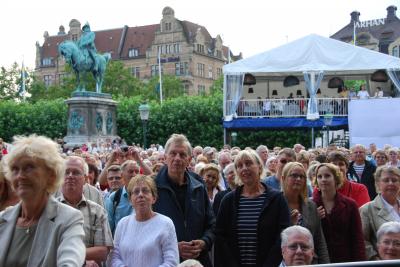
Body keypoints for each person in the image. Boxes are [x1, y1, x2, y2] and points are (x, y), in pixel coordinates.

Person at [0, 135, 85, 266]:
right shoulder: (2, 219)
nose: (20, 176)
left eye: (29, 167)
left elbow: (71, 260)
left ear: (51, 174)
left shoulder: (69, 219)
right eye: (15, 169)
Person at [215, 149, 290, 267]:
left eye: (248, 163)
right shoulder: (228, 201)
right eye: (239, 166)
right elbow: (221, 238)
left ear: (259, 167)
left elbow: (283, 236)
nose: (244, 168)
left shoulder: (277, 199)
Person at [153, 134, 215, 267]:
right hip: (165, 262)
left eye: (182, 154)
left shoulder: (198, 184)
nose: (177, 158)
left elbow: (211, 223)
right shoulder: (152, 187)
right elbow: (143, 230)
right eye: (173, 153)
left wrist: (204, 242)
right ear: (165, 157)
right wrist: (172, 248)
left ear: (189, 159)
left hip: (198, 261)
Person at [110, 175, 179, 266]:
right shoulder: (122, 224)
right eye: (136, 192)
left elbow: (172, 262)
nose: (140, 195)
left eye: (145, 191)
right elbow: (114, 257)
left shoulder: (166, 223)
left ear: (154, 198)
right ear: (130, 200)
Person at [58, 156, 113, 266]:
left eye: (76, 172)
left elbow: (103, 251)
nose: (70, 176)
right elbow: (41, 249)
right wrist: (82, 258)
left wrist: (63, 253)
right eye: (66, 172)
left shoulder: (97, 211)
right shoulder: (48, 210)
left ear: (85, 179)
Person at [312, 163, 366, 263]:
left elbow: (357, 238)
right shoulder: (310, 205)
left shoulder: (350, 205)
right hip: (318, 260)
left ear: (336, 178)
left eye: (327, 176)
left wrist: (360, 263)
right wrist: (313, 219)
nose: (323, 179)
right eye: (319, 176)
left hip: (345, 260)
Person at [281, 162, 329, 264]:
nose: (298, 179)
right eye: (294, 175)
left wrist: (326, 264)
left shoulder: (311, 206)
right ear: (283, 178)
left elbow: (319, 241)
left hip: (310, 262)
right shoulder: (275, 204)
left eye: (302, 176)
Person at [359, 166, 400, 260]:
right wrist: (375, 260)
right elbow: (363, 240)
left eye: (394, 180)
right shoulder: (367, 209)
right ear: (378, 184)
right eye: (386, 180)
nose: (391, 183)